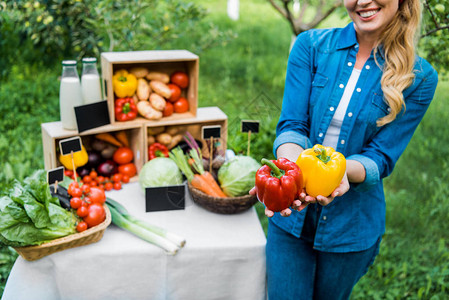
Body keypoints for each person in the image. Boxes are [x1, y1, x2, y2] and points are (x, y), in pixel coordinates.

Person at [261, 0, 439, 299]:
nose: (363, 1)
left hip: (351, 227)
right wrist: (289, 173)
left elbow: (380, 157)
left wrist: (341, 172)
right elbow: (292, 125)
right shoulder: (311, 46)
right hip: (290, 216)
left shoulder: (419, 77)